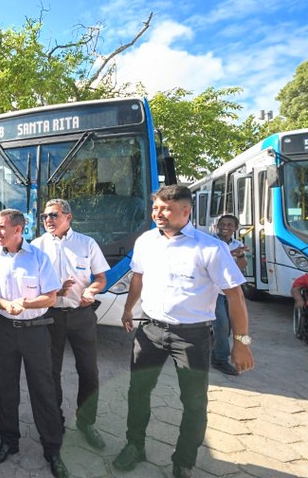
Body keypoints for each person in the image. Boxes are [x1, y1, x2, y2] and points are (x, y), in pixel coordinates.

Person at [114, 185, 255, 478]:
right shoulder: (146, 242)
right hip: (149, 330)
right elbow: (138, 278)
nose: (158, 214)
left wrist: (241, 343)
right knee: (138, 391)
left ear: (185, 210)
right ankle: (134, 445)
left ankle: (183, 461)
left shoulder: (210, 248)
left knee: (193, 401)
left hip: (192, 337)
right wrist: (129, 309)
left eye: (165, 208)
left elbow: (235, 296)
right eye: (155, 208)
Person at [0, 209, 69, 478]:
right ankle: (9, 441)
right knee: (6, 389)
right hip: (4, 330)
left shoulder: (38, 258)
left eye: (2, 227)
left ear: (18, 230)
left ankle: (52, 448)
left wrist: (25, 303)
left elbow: (51, 297)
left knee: (44, 390)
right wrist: (5, 304)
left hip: (35, 332)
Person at [31, 198, 109, 450]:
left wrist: (92, 291)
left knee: (89, 371)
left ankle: (87, 423)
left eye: (53, 215)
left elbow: (100, 278)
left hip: (81, 315)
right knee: (50, 373)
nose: (48, 221)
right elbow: (31, 283)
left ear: (68, 217)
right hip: (49, 317)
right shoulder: (36, 246)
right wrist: (54, 290)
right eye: (44, 216)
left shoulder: (87, 244)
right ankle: (56, 423)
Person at [211, 214, 248, 376]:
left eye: (230, 225)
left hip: (232, 292)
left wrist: (239, 255)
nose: (226, 227)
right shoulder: (210, 242)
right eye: (223, 224)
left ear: (235, 228)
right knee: (222, 325)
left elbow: (241, 267)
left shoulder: (238, 244)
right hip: (215, 291)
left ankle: (216, 351)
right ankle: (221, 359)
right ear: (217, 226)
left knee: (230, 327)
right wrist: (229, 253)